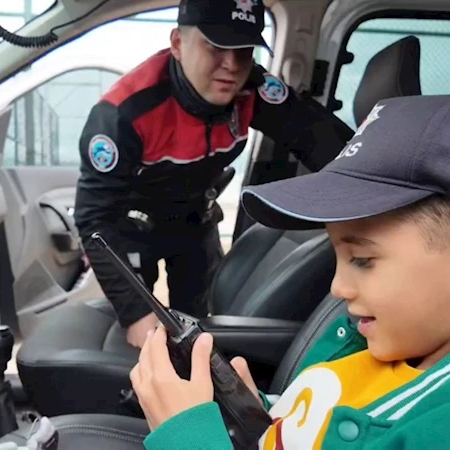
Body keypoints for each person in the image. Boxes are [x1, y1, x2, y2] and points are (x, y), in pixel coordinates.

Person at [130, 92, 450, 448]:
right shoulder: (380, 347)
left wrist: (188, 438)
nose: (339, 287)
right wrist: (261, 418)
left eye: (363, 260)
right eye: (338, 257)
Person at [75, 0, 353, 348]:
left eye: (244, 50)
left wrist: (366, 181)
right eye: (217, 47)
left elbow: (314, 133)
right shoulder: (125, 113)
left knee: (198, 328)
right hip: (132, 229)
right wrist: (133, 313)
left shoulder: (252, 88)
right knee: (141, 334)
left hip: (194, 221)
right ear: (178, 44)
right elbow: (94, 217)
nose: (232, 66)